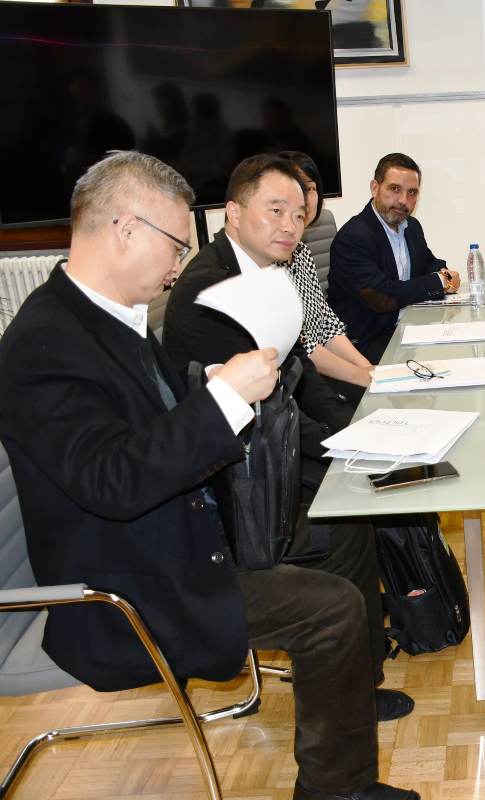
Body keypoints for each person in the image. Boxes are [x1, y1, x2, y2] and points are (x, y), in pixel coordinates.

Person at [0, 151, 420, 800]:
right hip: (131, 587)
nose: (177, 266)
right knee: (332, 607)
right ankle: (337, 791)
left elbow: (158, 433)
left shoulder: (105, 321)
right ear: (125, 229)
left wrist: (216, 391)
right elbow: (115, 482)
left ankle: (340, 755)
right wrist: (225, 399)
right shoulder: (40, 346)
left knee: (339, 542)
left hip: (184, 539)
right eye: (173, 245)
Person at [163, 154, 412, 725]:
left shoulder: (270, 273)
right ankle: (350, 686)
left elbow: (298, 371)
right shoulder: (213, 292)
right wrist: (340, 448)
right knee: (350, 507)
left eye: (299, 215)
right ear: (233, 212)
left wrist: (348, 433)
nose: (290, 226)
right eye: (275, 211)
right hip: (232, 480)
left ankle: (356, 676)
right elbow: (259, 417)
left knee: (359, 500)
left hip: (271, 453)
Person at [328, 152, 460, 363]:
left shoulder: (411, 226)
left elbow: (427, 262)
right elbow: (382, 297)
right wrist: (439, 281)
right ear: (374, 187)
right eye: (394, 189)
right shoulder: (353, 237)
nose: (403, 201)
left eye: (412, 193)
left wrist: (442, 271)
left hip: (408, 330)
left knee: (457, 355)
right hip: (368, 340)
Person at [276, 150, 374, 398]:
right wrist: (362, 376)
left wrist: (368, 369)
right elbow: (301, 346)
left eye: (310, 188)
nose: (305, 199)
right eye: (295, 188)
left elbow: (326, 325)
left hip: (320, 368)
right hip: (296, 382)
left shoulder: (302, 253)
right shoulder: (269, 261)